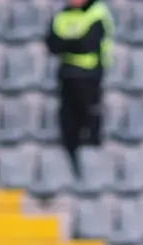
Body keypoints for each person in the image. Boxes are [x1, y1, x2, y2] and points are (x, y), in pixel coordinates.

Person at [45, 0, 113, 179]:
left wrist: (67, 43)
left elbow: (88, 44)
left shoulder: (97, 13)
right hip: (67, 76)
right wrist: (75, 42)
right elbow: (52, 44)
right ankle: (72, 166)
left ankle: (91, 168)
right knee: (67, 121)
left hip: (89, 75)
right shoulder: (61, 15)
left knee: (89, 118)